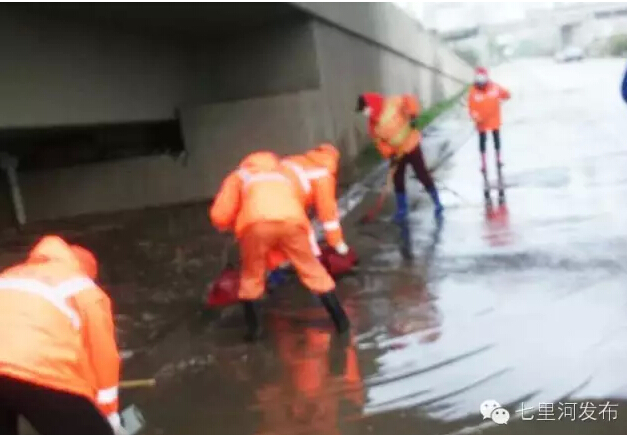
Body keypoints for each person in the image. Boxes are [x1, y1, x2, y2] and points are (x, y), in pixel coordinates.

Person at [209, 151, 350, 341]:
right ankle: (341, 322)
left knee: (252, 276)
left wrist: (232, 225)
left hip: (255, 226)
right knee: (312, 270)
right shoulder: (284, 172)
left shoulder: (239, 176)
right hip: (293, 222)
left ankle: (254, 332)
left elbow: (220, 215)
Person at [0, 235, 125, 435]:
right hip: (39, 367)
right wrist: (110, 418)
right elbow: (104, 360)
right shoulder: (84, 289)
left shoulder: (10, 275)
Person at [266, 143, 351, 286]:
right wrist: (338, 244)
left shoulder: (297, 161)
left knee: (272, 235)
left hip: (264, 198)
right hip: (288, 203)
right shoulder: (323, 175)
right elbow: (328, 215)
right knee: (306, 242)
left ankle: (274, 277)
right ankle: (319, 286)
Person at [356, 92, 443, 222]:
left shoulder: (392, 103)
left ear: (370, 105)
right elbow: (380, 143)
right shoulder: (372, 124)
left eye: (364, 109)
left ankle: (437, 202)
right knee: (397, 178)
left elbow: (409, 100)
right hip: (397, 152)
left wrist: (413, 115)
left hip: (411, 145)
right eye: (363, 111)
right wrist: (390, 154)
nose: (365, 113)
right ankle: (402, 209)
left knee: (422, 173)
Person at [468, 66, 511, 173]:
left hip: (494, 120)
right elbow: (471, 108)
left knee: (496, 139)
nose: (480, 79)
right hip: (481, 122)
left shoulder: (495, 87)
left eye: (482, 76)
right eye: (478, 77)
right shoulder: (473, 91)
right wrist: (475, 117)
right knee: (482, 141)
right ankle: (483, 164)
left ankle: (498, 160)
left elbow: (506, 94)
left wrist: (505, 96)